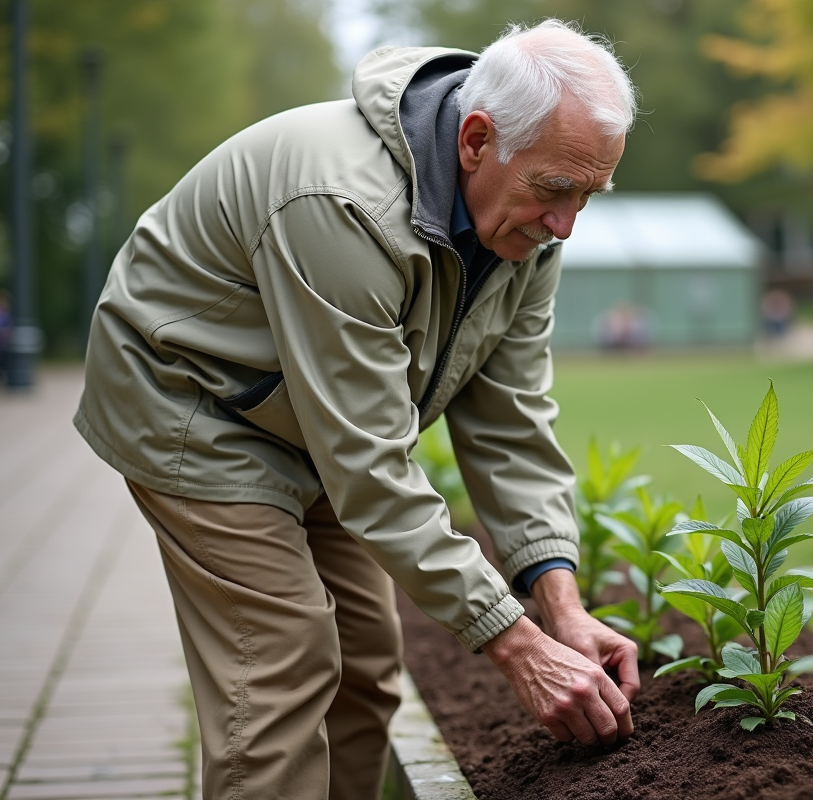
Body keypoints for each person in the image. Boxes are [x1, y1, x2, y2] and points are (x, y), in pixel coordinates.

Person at [74, 21, 640, 800]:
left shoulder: (529, 224)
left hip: (313, 416)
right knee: (280, 656)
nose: (567, 223)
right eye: (555, 190)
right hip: (192, 401)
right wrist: (515, 644)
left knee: (366, 662)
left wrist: (559, 605)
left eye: (587, 193)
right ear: (476, 140)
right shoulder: (343, 204)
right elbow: (369, 466)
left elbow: (510, 420)